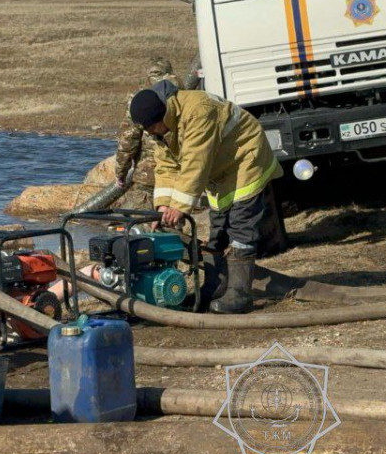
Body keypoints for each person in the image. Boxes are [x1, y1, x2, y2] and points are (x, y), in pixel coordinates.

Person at [129, 80, 282, 314]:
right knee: (218, 228)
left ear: (160, 119)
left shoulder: (198, 111)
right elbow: (167, 167)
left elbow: (195, 162)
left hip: (245, 160)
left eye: (151, 129)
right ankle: (215, 286)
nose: (150, 134)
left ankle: (240, 295)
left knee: (241, 227)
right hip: (221, 170)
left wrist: (180, 207)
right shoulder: (163, 127)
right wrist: (162, 206)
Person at [112, 57, 180, 209]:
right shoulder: (183, 93)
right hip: (179, 173)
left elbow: (128, 139)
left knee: (142, 221)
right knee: (173, 219)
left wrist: (120, 174)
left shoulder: (141, 99)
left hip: (148, 175)